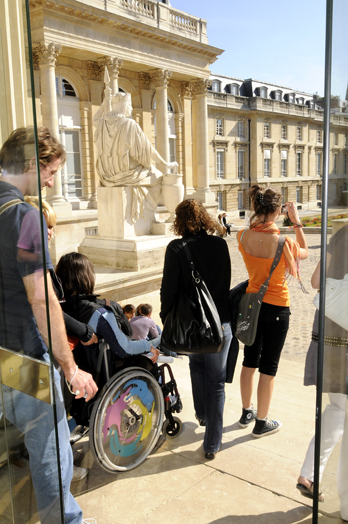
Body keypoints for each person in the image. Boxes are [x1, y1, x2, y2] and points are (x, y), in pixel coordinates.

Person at [0, 126, 98, 524]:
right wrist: (69, 367)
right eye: (51, 171)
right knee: (51, 450)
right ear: (32, 164)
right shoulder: (24, 217)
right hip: (19, 358)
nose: (52, 181)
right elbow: (41, 299)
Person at [160, 199, 232, 460]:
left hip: (191, 326)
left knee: (196, 366)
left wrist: (166, 319)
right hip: (219, 324)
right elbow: (224, 285)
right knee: (216, 383)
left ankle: (202, 414)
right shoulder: (220, 245)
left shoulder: (176, 248)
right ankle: (212, 443)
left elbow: (168, 290)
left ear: (179, 221)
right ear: (205, 218)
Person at [237, 185, 308, 438]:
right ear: (278, 210)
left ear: (256, 207)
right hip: (277, 307)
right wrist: (296, 223)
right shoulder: (284, 241)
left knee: (249, 361)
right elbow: (305, 253)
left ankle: (247, 411)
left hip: (252, 305)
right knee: (269, 366)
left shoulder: (242, 235)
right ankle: (261, 422)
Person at [296, 223, 348, 520]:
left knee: (337, 408)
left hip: (332, 336)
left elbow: (316, 280)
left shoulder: (341, 233)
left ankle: (309, 474)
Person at [55, 253, 160, 366]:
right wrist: (147, 346)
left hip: (76, 367)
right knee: (157, 340)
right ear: (87, 278)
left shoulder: (57, 309)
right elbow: (124, 348)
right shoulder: (100, 314)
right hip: (102, 373)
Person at [93, 90, 178, 223]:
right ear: (123, 105)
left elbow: (95, 119)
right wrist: (166, 164)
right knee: (157, 176)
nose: (131, 108)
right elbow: (148, 150)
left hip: (107, 175)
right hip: (126, 174)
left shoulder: (103, 123)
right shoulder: (130, 124)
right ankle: (148, 218)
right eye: (129, 105)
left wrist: (105, 103)